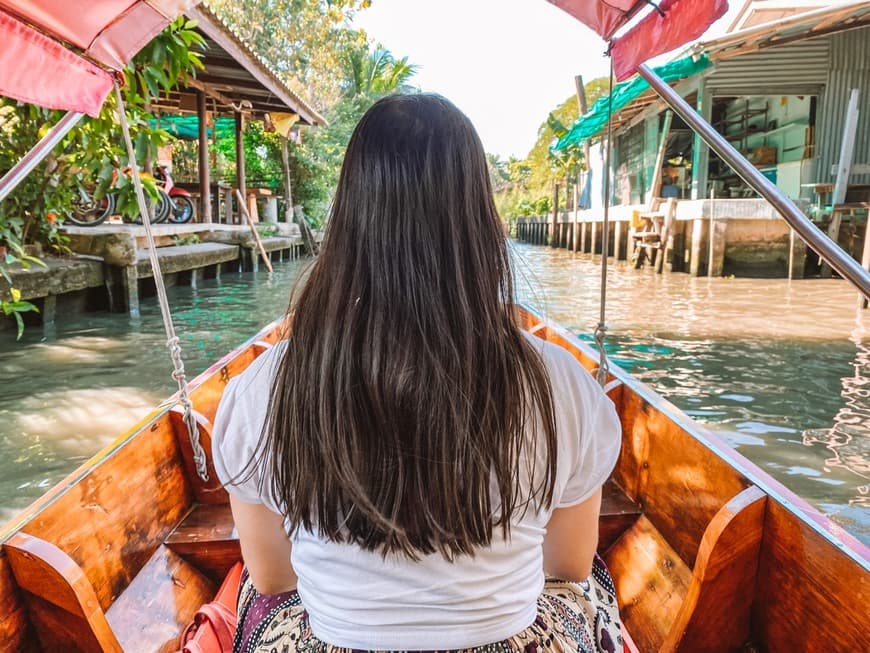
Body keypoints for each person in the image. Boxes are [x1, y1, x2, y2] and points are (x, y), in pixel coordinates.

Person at [212, 93, 623, 652]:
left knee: (250, 602)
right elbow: (568, 566)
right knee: (595, 583)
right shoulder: (562, 386)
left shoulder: (263, 387)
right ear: (478, 220)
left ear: (350, 220)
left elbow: (274, 579)